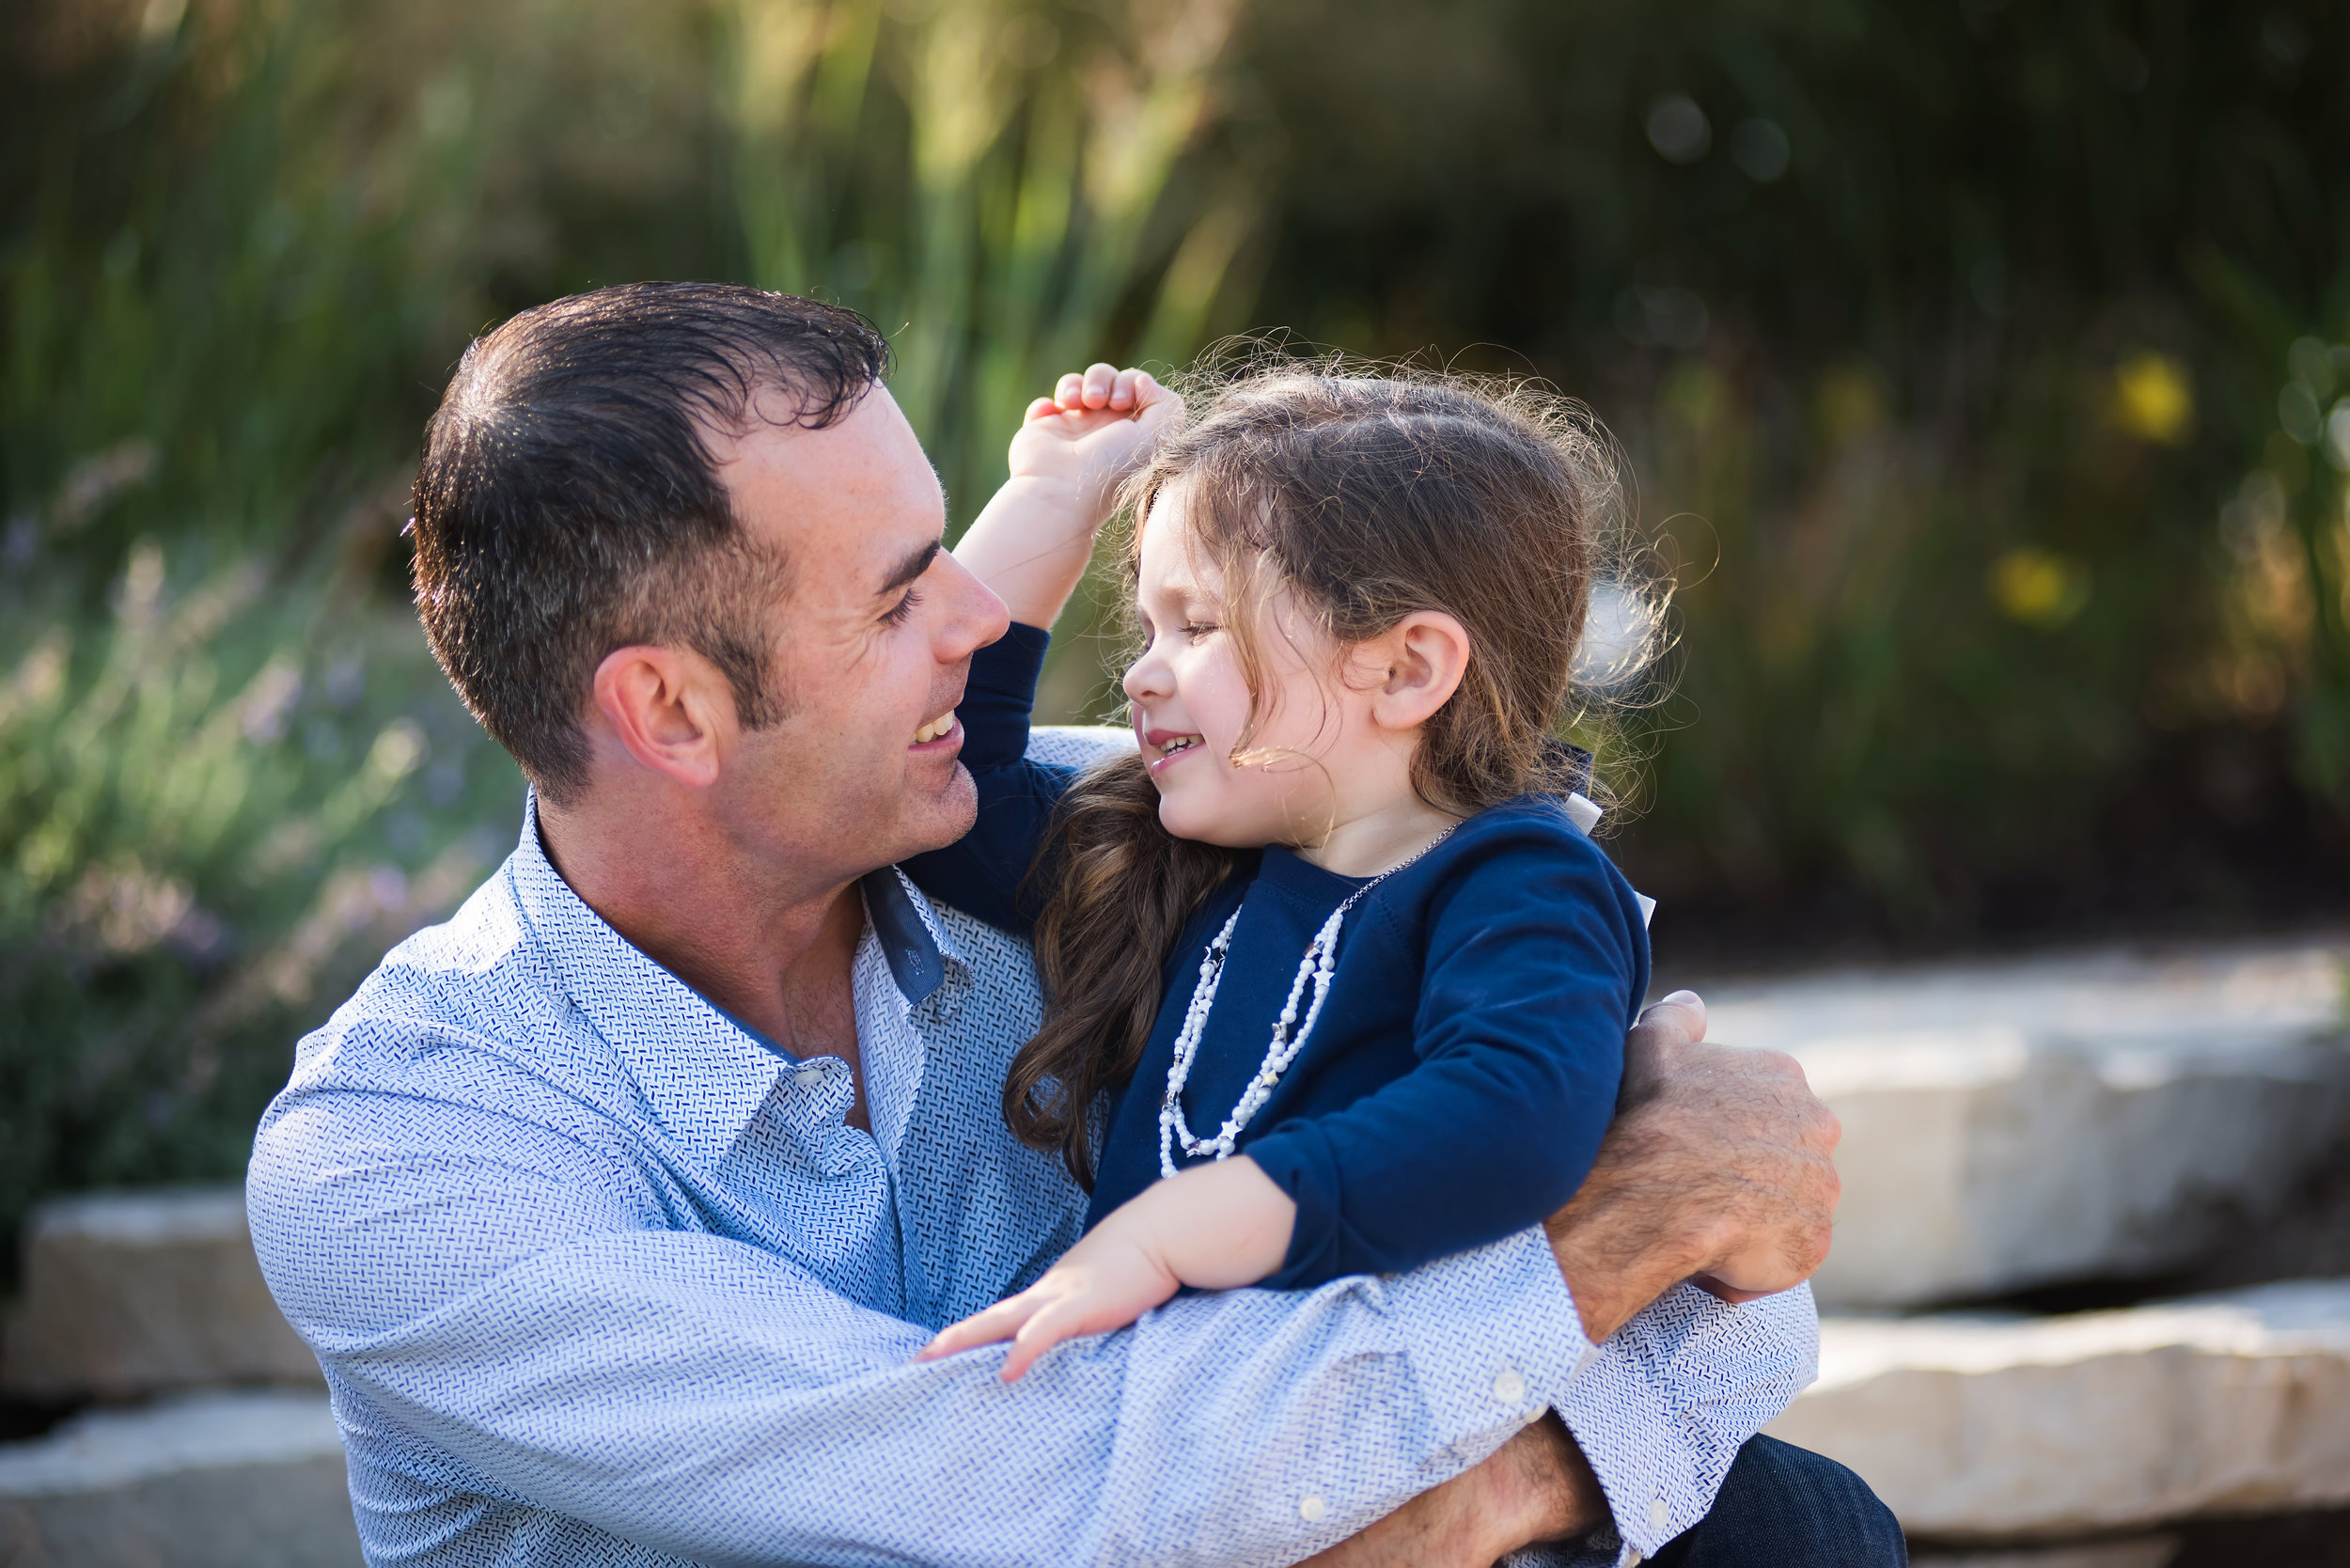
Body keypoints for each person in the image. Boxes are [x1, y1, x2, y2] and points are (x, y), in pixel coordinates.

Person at [245, 281, 1903, 1567]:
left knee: (1791, 1522)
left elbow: (1739, 1281)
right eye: (904, 596)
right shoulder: (403, 1160)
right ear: (670, 710)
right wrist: (1526, 1431)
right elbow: (1042, 1483)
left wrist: (1623, 1266)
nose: (987, 611)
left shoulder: (1169, 830)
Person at [907, 363, 1656, 1382]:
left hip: (1375, 1443)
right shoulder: (1189, 866)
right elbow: (950, 797)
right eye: (1149, 626)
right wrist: (1053, 499)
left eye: (1200, 624)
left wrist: (1170, 1234)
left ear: (1405, 670)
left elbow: (1512, 1115)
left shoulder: (1516, 881)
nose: (1140, 671)